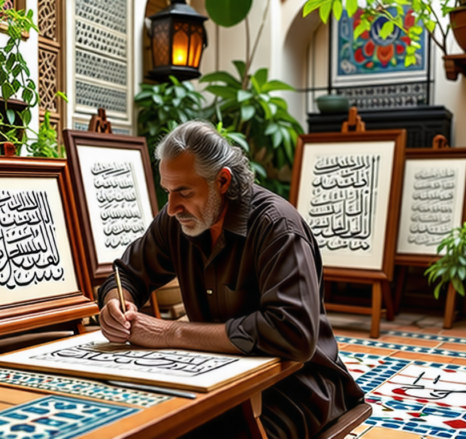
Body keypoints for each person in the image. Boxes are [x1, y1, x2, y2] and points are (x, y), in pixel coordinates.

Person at [97, 120, 364, 438]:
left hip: (295, 386)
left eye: (184, 192)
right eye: (168, 192)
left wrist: (173, 333)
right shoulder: (178, 221)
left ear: (223, 180)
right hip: (213, 375)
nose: (171, 208)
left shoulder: (276, 227)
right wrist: (116, 302)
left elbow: (293, 333)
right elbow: (126, 273)